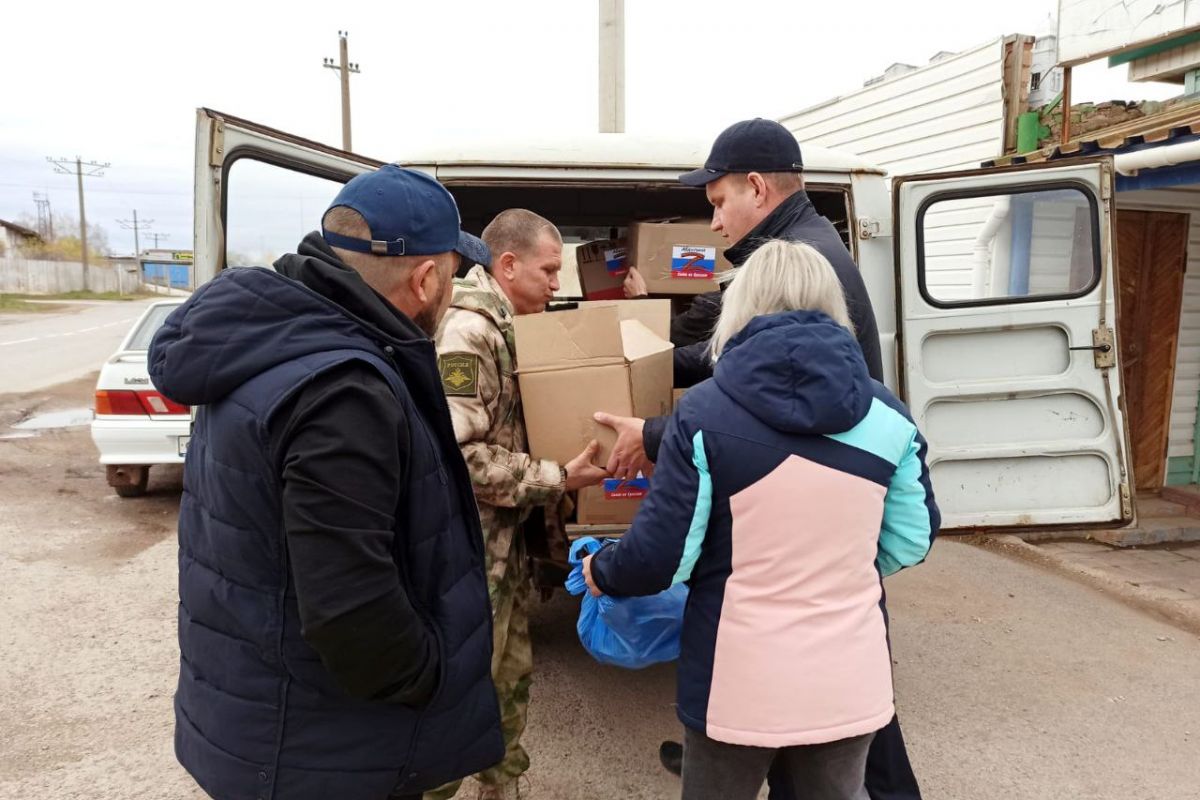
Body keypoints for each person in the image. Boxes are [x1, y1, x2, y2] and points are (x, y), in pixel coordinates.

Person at [149, 166, 505, 800]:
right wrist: (429, 676)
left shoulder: (270, 341)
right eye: (451, 277)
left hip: (266, 722)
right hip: (323, 753)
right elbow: (351, 611)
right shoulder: (342, 391)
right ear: (425, 280)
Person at [599, 119, 924, 800]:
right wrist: (843, 560)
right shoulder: (886, 407)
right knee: (840, 756)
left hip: (745, 666)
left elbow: (668, 551)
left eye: (717, 202)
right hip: (841, 624)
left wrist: (609, 566)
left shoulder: (790, 260)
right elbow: (910, 538)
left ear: (756, 186)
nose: (714, 221)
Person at [428, 209, 608, 800]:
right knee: (465, 679)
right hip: (473, 544)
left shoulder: (512, 324)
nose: (558, 284)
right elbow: (462, 456)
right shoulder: (469, 332)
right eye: (550, 270)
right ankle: (432, 786)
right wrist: (558, 476)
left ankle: (500, 782)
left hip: (505, 540)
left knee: (510, 668)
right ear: (507, 265)